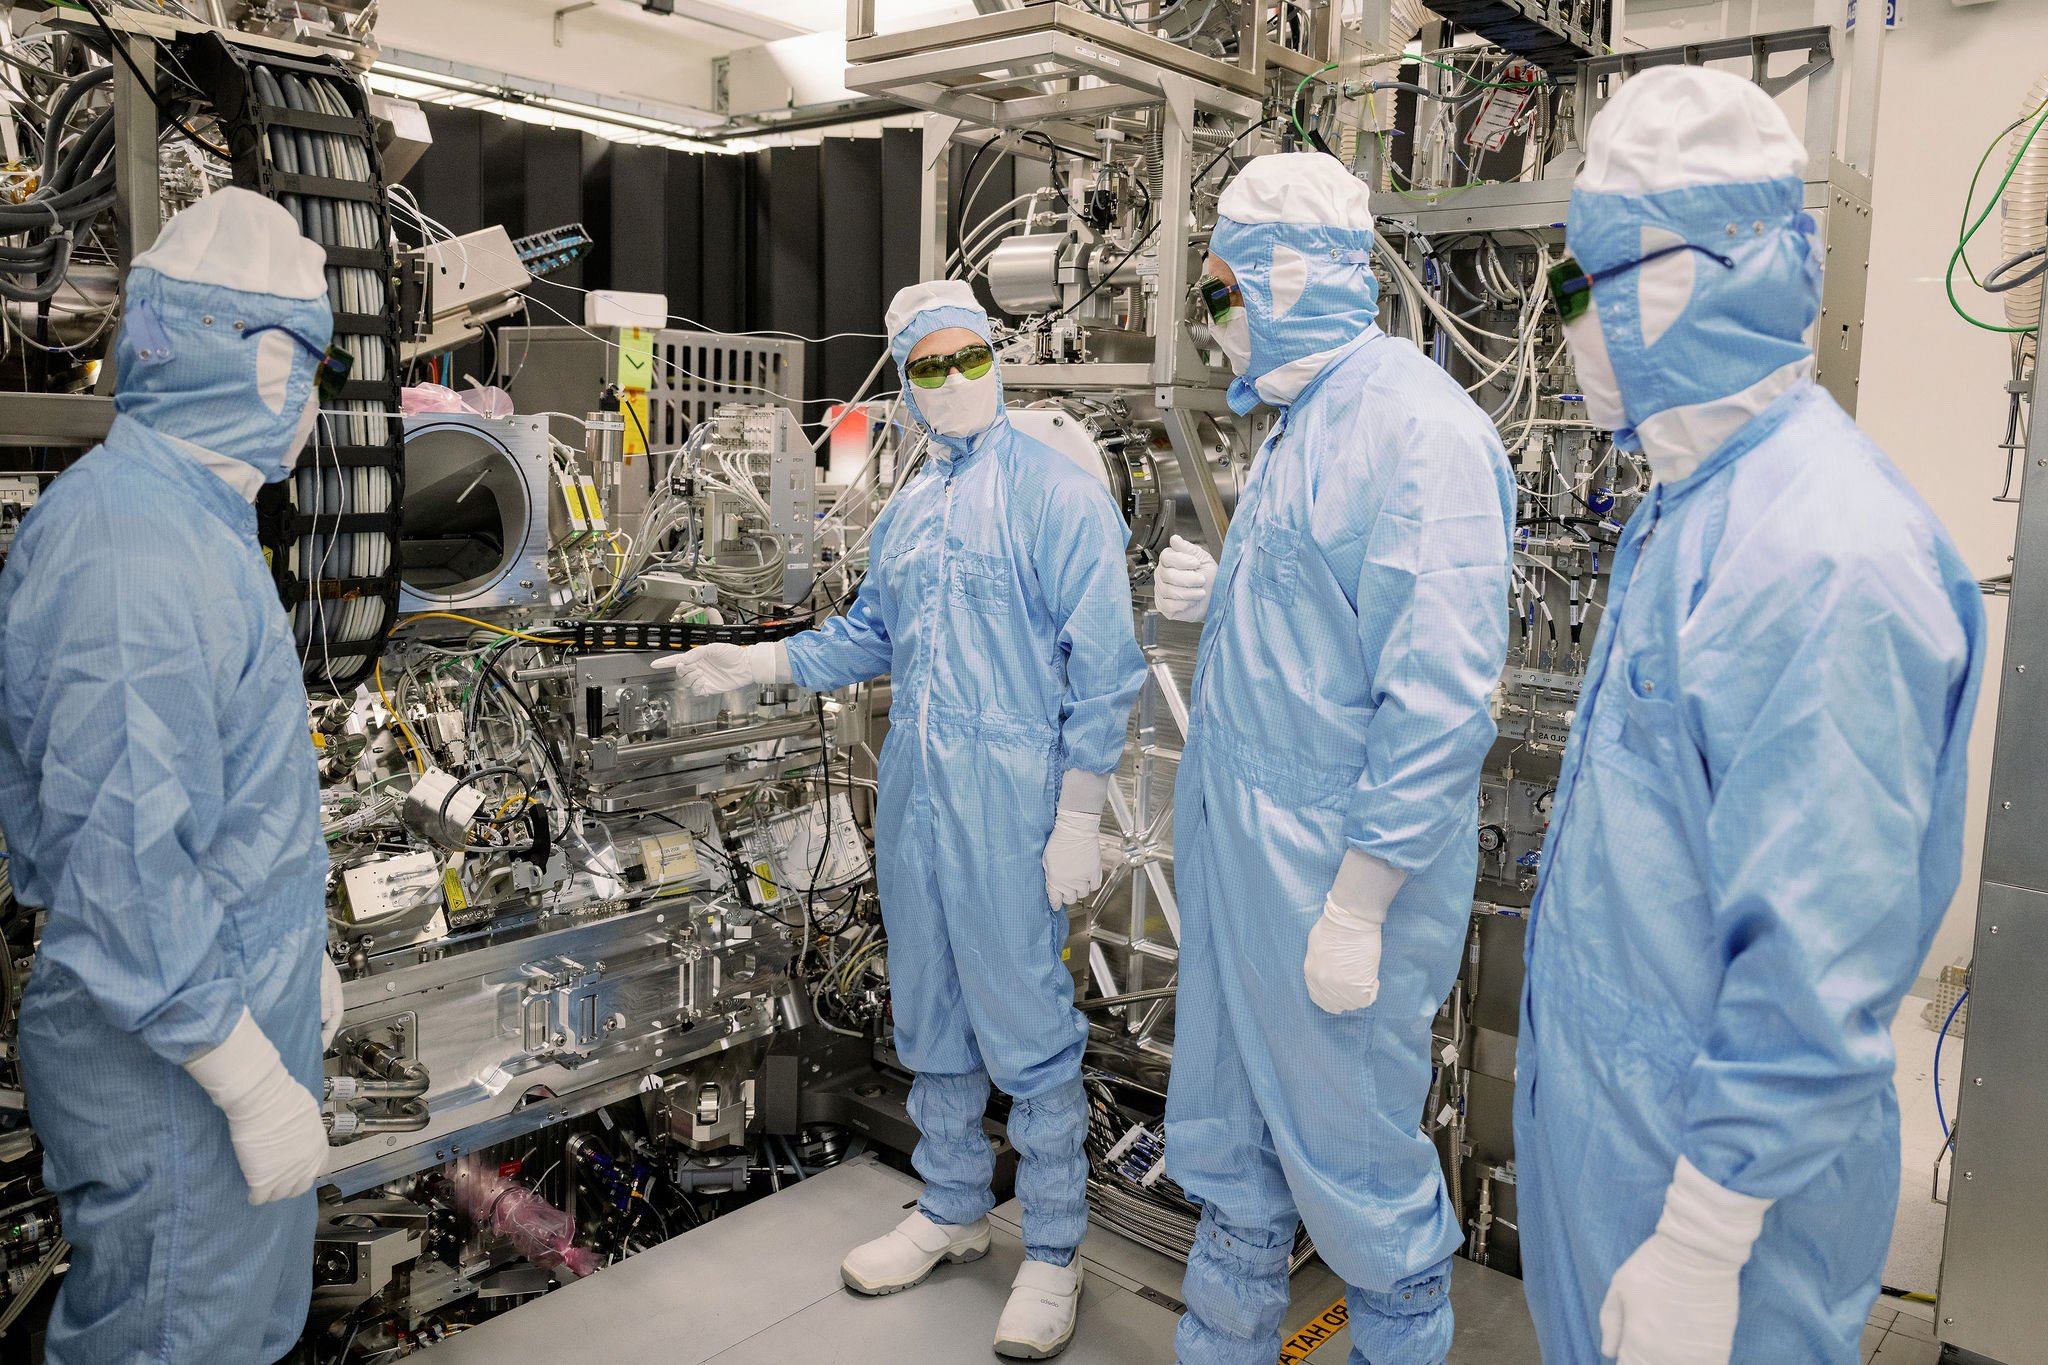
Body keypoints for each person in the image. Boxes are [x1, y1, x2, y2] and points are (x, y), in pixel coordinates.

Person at [1512, 66, 1985, 1365]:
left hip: (1716, 1204)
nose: (1564, 327)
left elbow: (1817, 955)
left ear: (1697, 276)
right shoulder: (1691, 506)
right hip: (1621, 1139)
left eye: (1582, 287)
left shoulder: (1825, 552)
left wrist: (1705, 1238)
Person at [658, 279, 1144, 1359]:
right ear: (906, 384)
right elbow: (868, 634)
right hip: (918, 798)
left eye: (971, 357)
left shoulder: (1059, 497)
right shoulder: (911, 512)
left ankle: (1053, 1250)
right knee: (928, 1011)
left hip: (1012, 802)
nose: (955, 379)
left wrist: (1077, 813)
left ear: (997, 359)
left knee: (1028, 1029)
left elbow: (1106, 668)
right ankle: (954, 1206)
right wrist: (759, 662)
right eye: (930, 365)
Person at [1154, 152, 1514, 1364]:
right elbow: (1327, 629)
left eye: (1221, 292)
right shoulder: (1304, 421)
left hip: (1329, 879)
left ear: (1288, 277)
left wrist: (1357, 905)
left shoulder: (1420, 431)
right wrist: (1225, 595)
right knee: (1233, 1151)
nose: (1213, 322)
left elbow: (1437, 704)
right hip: (1248, 866)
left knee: (1357, 1174)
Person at [0, 187, 345, 1362]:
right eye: (299, 363)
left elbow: (225, 807)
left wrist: (299, 951)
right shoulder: (130, 553)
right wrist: (244, 1076)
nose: (308, 402)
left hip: (221, 1017)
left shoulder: (195, 521)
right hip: (172, 1077)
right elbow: (125, 865)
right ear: (231, 357)